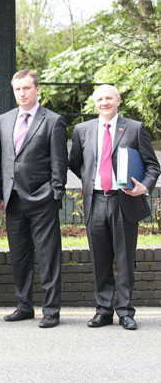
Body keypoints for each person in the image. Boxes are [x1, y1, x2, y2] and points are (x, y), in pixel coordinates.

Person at [68, 84, 159, 330]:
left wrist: (144, 186)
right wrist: (91, 179)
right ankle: (103, 310)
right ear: (94, 103)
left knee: (125, 258)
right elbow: (75, 162)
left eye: (109, 98)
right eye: (100, 99)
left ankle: (126, 312)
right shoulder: (83, 130)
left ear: (118, 100)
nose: (104, 103)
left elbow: (153, 165)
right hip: (96, 200)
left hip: (124, 200)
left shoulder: (134, 128)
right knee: (99, 259)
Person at [0, 69, 67, 328]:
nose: (22, 93)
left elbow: (59, 162)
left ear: (37, 89)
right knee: (19, 257)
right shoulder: (4, 119)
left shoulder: (53, 121)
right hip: (13, 201)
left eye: (26, 88)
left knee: (48, 258)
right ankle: (24, 306)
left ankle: (51, 311)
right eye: (17, 89)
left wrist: (55, 193)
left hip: (42, 201)